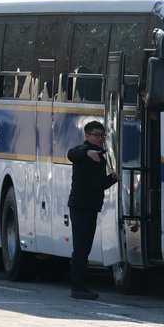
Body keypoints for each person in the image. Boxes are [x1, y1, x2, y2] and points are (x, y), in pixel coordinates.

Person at [67, 120, 117, 300]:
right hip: (79, 207)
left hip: (91, 208)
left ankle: (81, 286)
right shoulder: (83, 152)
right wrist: (87, 151)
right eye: (96, 135)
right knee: (80, 249)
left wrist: (113, 178)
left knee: (85, 248)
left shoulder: (100, 157)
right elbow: (71, 153)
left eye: (102, 136)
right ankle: (77, 287)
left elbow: (99, 184)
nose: (100, 139)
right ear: (87, 136)